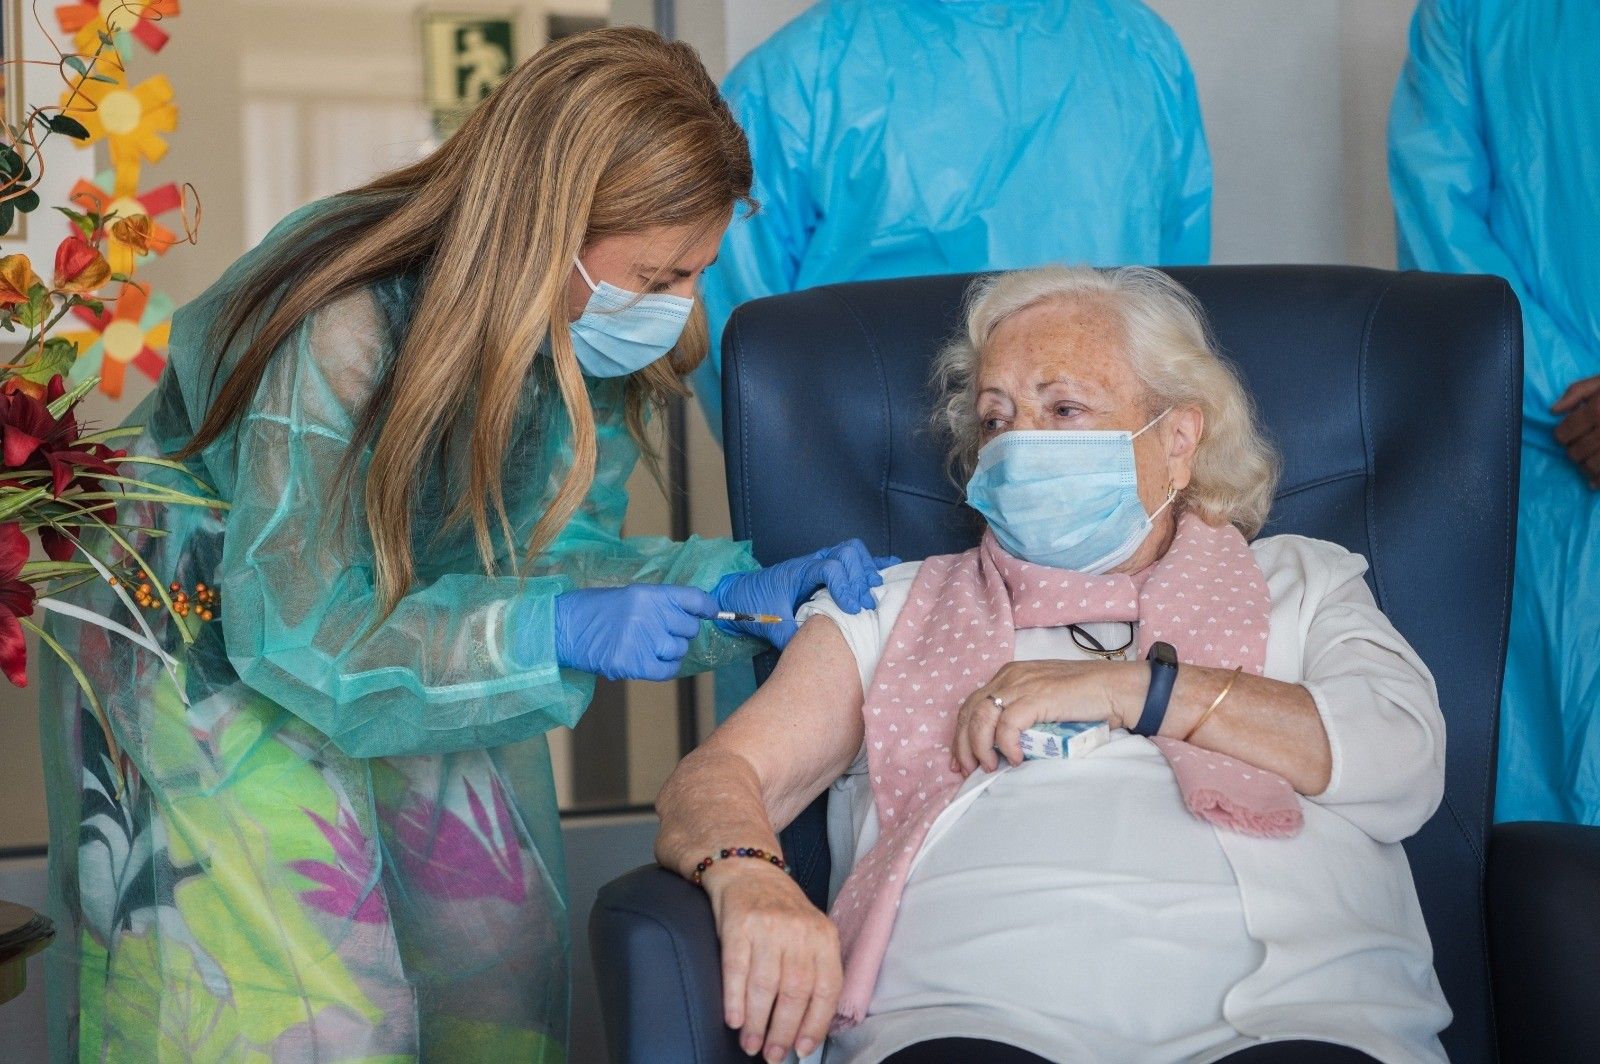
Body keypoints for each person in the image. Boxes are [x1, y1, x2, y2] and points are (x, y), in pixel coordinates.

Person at [38, 28, 895, 1061]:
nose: (678, 313)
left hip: (409, 634)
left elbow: (553, 553)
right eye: (657, 274)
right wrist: (549, 627)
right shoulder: (343, 322)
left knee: (490, 972)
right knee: (308, 1018)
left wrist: (725, 589)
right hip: (210, 648)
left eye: (695, 273)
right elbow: (302, 624)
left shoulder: (582, 345)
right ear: (548, 225)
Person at [657, 267, 1451, 1064]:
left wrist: (1135, 689)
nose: (1022, 444)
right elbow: (721, 777)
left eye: (1064, 408)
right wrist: (749, 874)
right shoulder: (890, 606)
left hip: (1297, 1012)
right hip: (968, 1012)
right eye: (998, 420)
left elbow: (1402, 758)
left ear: (1178, 440)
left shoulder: (1301, 581)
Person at [692, 0, 1213, 440]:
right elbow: (743, 347)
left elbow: (1167, 306)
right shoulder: (1138, 48)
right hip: (882, 465)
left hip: (1092, 463)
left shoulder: (800, 73)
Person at [1389, 0, 1600, 824]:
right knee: (1539, 849)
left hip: (1543, 434)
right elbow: (1440, 225)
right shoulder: (1469, 12)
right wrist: (1572, 391)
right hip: (1533, 475)